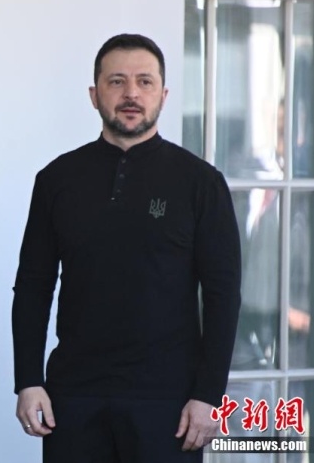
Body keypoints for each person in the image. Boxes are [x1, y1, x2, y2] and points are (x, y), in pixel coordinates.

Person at [12, 33, 241, 463]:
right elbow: (32, 287)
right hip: (74, 398)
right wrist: (28, 380)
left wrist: (209, 395)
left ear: (164, 95)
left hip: (170, 403)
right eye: (116, 81)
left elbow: (223, 295)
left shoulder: (201, 183)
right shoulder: (57, 179)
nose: (131, 93)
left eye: (144, 82)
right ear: (94, 94)